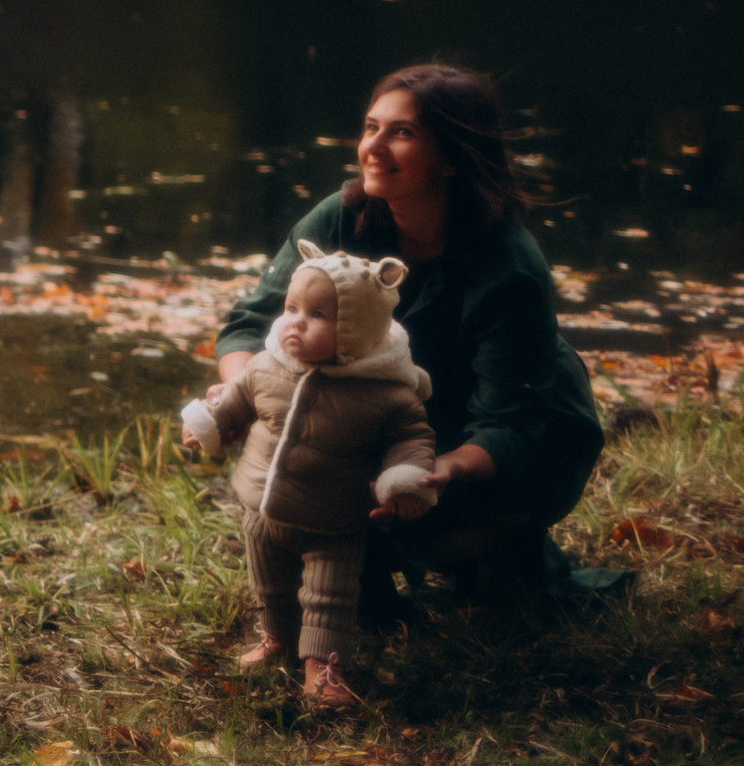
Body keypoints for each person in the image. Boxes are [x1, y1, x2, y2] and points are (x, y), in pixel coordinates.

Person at [209, 64, 604, 618]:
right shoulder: (340, 219)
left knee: (483, 574)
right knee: (319, 534)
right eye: (372, 127)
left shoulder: (509, 266)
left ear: (450, 158)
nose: (374, 147)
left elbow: (510, 425)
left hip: (517, 439)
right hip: (388, 415)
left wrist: (439, 472)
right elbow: (249, 325)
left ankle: (497, 541)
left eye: (402, 133)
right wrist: (237, 396)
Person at [181, 242, 440, 710]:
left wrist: (404, 478)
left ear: (355, 330)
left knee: (329, 595)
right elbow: (234, 402)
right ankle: (277, 635)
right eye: (291, 308)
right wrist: (208, 423)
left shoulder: (387, 395)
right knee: (270, 582)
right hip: (261, 507)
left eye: (317, 315)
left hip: (335, 520)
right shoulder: (267, 367)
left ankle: (323, 668)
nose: (294, 322)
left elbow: (412, 438)